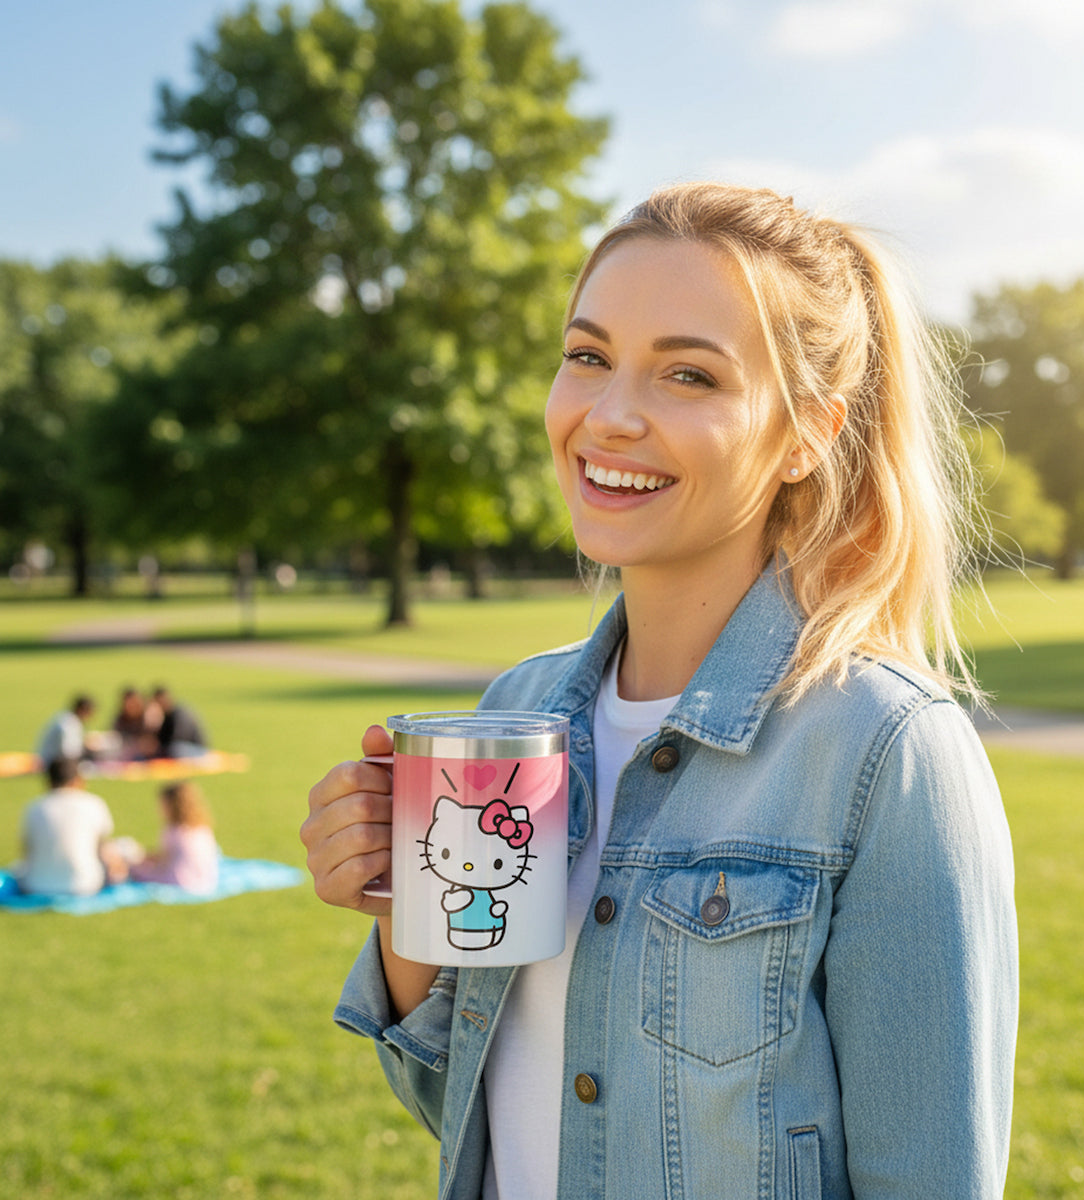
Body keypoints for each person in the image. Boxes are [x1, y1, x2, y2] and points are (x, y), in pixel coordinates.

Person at [302, 182, 1019, 1199]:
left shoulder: (887, 750)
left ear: (809, 434)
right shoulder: (517, 710)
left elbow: (933, 1178)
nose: (610, 416)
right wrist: (402, 908)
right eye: (588, 357)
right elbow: (467, 1108)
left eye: (689, 375)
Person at [17, 757, 128, 896]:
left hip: (36, 885)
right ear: (78, 780)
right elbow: (105, 850)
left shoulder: (34, 807)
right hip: (84, 885)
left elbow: (27, 851)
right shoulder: (93, 804)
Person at [130, 780, 220, 893]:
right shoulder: (202, 827)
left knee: (133, 870)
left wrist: (140, 858)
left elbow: (163, 860)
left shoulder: (174, 830)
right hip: (207, 879)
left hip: (181, 881)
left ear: (171, 806)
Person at [34, 694, 95, 766]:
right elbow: (67, 751)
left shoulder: (68, 718)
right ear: (82, 710)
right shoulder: (67, 724)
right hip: (52, 761)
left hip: (55, 758)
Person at [151, 686, 208, 758]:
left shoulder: (181, 714)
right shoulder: (166, 715)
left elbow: (179, 737)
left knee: (175, 749)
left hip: (195, 748)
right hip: (181, 747)